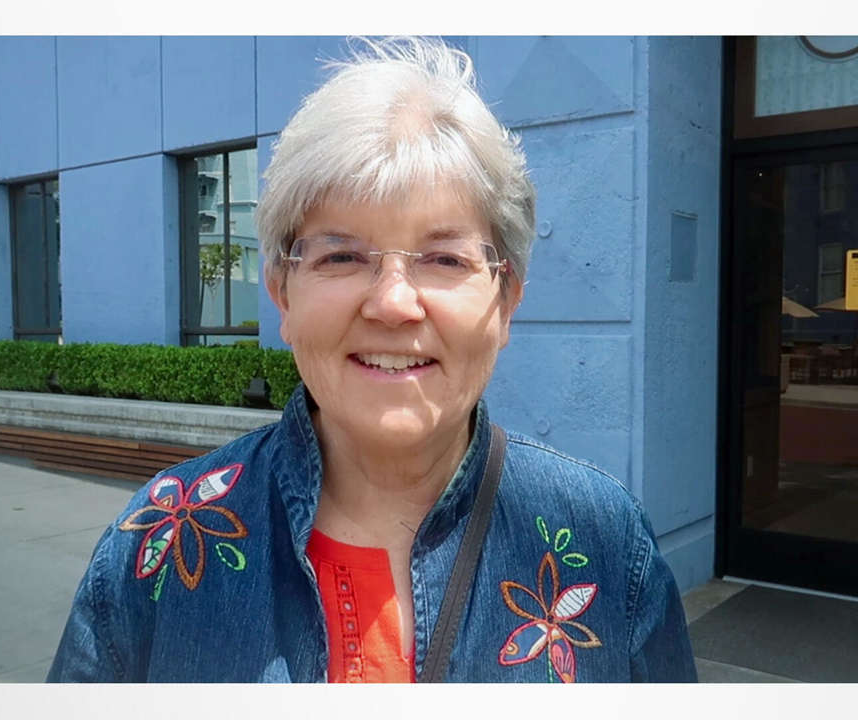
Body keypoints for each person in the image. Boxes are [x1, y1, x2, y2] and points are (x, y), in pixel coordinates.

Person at [46, 37, 695, 683]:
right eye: (342, 256)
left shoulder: (606, 543)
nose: (392, 303)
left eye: (444, 259)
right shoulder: (158, 543)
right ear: (282, 294)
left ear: (506, 300)